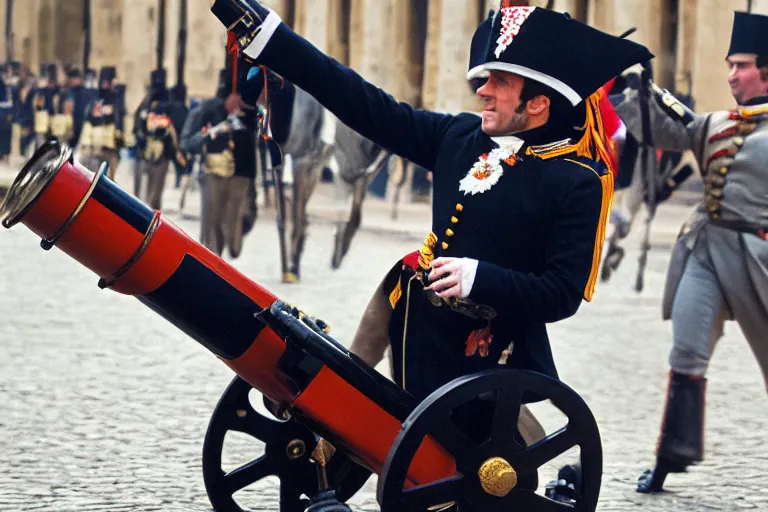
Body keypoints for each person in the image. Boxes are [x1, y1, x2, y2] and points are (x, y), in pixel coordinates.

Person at [613, 10, 768, 493]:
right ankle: (668, 457)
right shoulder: (715, 123)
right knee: (686, 352)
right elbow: (663, 131)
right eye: (728, 64)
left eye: (740, 65)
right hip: (704, 249)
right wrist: (628, 87)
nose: (730, 75)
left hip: (758, 258)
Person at [179, 53, 260, 258]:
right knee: (211, 230)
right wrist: (213, 131)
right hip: (213, 173)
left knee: (232, 233)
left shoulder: (253, 113)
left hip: (241, 175)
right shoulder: (207, 109)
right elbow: (187, 142)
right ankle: (212, 270)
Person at [133, 69, 187, 210]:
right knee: (140, 197)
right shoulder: (145, 104)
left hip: (161, 154)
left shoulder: (168, 105)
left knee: (154, 197)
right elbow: (137, 125)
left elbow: (174, 129)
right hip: (145, 152)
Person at [78, 66, 125, 181]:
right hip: (92, 149)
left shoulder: (117, 99)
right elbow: (88, 120)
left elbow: (119, 118)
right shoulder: (94, 99)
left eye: (108, 82)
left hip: (110, 149)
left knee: (107, 183)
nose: (106, 85)